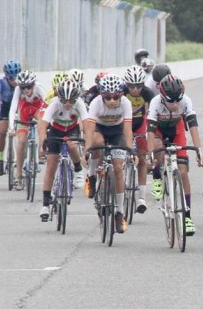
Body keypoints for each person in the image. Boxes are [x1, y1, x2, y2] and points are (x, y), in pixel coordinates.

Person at [147, 75, 203, 235]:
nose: (174, 104)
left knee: (183, 172)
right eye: (170, 101)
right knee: (158, 147)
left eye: (177, 100)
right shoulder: (155, 103)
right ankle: (158, 176)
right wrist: (150, 155)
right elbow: (150, 131)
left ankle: (187, 216)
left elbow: (193, 126)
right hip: (158, 130)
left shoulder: (186, 101)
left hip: (176, 130)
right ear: (162, 97)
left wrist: (198, 150)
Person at [84, 74, 133, 234]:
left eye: (115, 97)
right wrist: (88, 148)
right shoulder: (96, 103)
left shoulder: (126, 103)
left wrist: (129, 149)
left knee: (118, 169)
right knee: (96, 143)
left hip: (117, 131)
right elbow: (90, 129)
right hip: (100, 129)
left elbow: (127, 129)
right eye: (107, 97)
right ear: (102, 95)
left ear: (121, 95)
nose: (111, 101)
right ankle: (91, 175)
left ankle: (120, 212)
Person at [38, 79, 87, 221]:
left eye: (71, 101)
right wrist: (42, 144)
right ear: (59, 97)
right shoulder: (54, 104)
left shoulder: (80, 104)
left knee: (72, 145)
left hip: (72, 129)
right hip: (55, 130)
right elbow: (43, 125)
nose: (67, 104)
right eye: (64, 100)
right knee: (51, 165)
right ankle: (45, 205)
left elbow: (87, 123)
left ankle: (77, 169)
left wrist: (86, 144)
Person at [123, 65, 155, 213]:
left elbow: (153, 114)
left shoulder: (148, 93)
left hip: (140, 122)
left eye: (138, 86)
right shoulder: (121, 92)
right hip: (124, 123)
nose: (135, 89)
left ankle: (141, 198)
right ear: (126, 85)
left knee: (142, 158)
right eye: (132, 86)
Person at [8, 70, 46, 191]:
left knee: (42, 120)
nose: (26, 90)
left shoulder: (39, 88)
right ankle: (18, 175)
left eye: (29, 87)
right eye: (23, 87)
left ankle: (41, 149)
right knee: (21, 141)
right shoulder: (18, 90)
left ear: (33, 85)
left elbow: (47, 104)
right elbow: (13, 107)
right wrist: (11, 126)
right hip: (24, 111)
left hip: (37, 109)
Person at [0, 60, 21, 176]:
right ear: (7, 77)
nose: (14, 82)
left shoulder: (22, 82)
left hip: (17, 106)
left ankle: (19, 158)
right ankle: (0, 159)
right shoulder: (0, 82)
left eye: (16, 78)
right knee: (2, 131)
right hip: (4, 106)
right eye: (11, 79)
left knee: (21, 132)